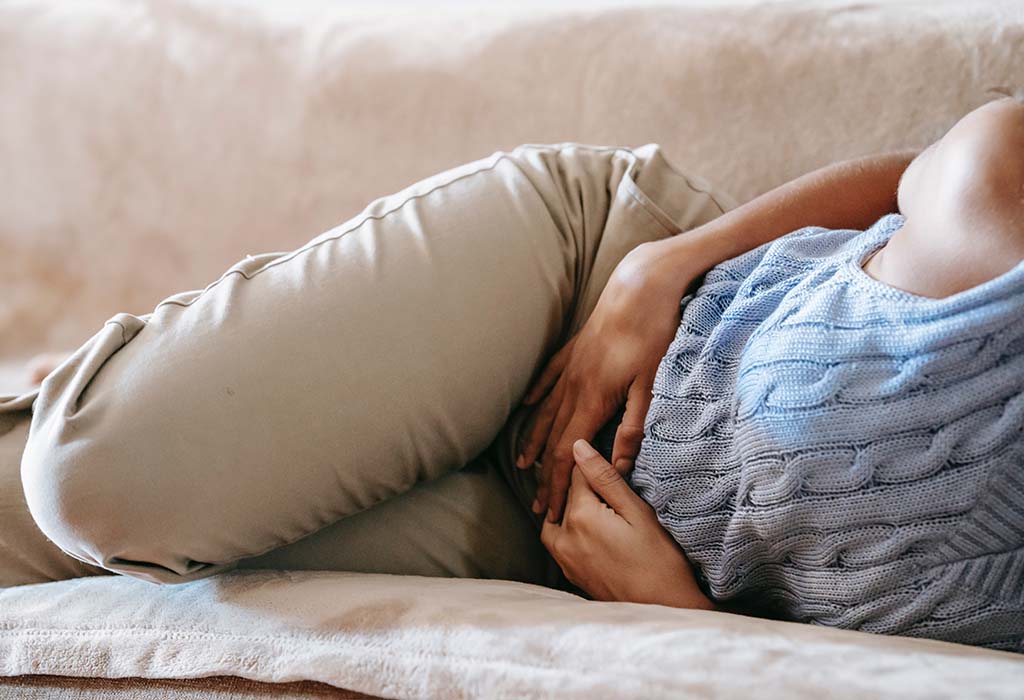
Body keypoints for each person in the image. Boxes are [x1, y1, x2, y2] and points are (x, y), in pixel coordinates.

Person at [2, 92, 1021, 651]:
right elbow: (908, 171)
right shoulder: (1002, 196)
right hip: (581, 299)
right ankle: (98, 379)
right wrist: (655, 263)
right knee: (92, 478)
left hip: (568, 547)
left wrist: (683, 624)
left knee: (25, 543)